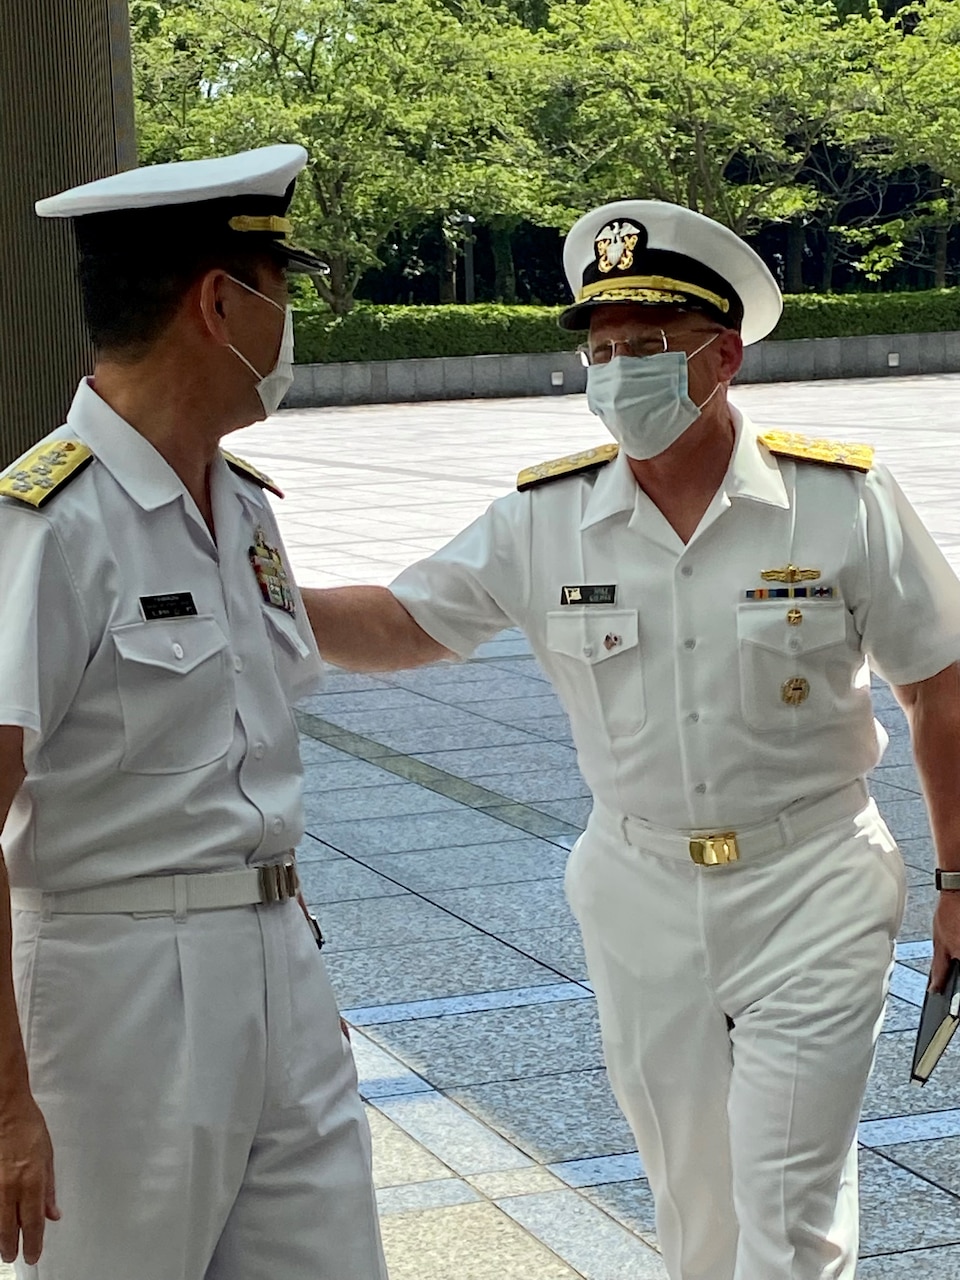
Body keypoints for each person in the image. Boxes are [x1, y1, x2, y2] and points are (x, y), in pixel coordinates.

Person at [303, 200, 960, 1279]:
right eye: (602, 350)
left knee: (788, 1204)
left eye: (646, 347)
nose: (616, 371)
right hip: (639, 882)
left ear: (723, 355)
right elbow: (406, 622)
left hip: (816, 878)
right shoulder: (545, 518)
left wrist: (959, 876)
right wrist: (259, 586)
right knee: (695, 1204)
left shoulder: (839, 499)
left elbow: (940, 686)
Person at [0, 145, 387, 1280]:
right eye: (281, 290)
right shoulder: (49, 526)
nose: (288, 325)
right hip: (115, 993)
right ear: (221, 304)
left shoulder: (245, 508)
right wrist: (7, 1100)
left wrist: (284, 982)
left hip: (273, 961)